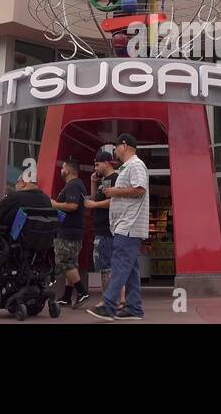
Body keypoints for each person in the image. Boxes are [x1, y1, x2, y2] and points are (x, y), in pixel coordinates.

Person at [87, 133, 149, 321]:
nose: (114, 151)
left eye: (115, 147)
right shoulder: (128, 167)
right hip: (126, 225)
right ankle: (133, 308)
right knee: (130, 269)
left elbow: (140, 190)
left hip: (128, 225)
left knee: (120, 265)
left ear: (124, 146)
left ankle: (108, 305)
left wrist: (115, 191)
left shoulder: (136, 165)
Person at [51, 159, 90, 308]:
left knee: (64, 261)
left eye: (63, 168)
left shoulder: (73, 185)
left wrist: (55, 204)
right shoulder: (76, 185)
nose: (62, 170)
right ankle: (66, 297)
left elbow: (72, 206)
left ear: (69, 170)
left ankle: (82, 292)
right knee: (71, 263)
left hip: (68, 231)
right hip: (74, 230)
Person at [84, 150, 120, 306]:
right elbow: (94, 199)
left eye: (97, 164)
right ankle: (112, 299)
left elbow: (115, 201)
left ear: (106, 163)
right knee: (104, 264)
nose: (95, 168)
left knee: (106, 265)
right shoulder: (103, 181)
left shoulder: (115, 179)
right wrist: (93, 183)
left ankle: (108, 300)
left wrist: (95, 205)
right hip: (100, 228)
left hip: (107, 229)